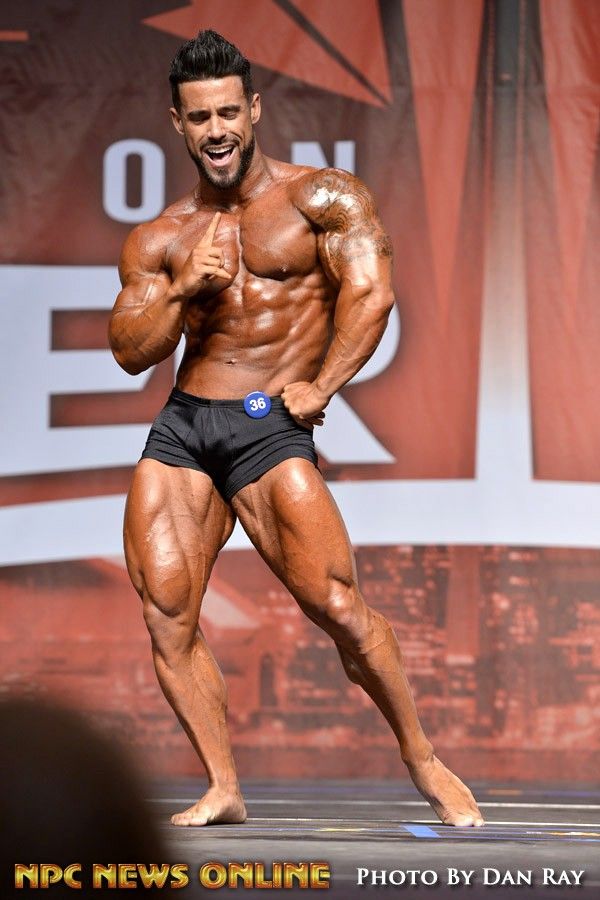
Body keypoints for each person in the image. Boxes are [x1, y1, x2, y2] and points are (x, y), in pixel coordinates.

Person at [108, 29, 483, 829]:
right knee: (167, 612)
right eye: (199, 117)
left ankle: (421, 756)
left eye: (227, 113)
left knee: (337, 605)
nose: (216, 131)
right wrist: (179, 290)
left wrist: (323, 384)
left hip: (267, 425)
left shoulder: (322, 198)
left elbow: (372, 293)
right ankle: (223, 786)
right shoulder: (161, 237)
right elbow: (129, 351)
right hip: (184, 429)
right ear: (178, 124)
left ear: (254, 109)